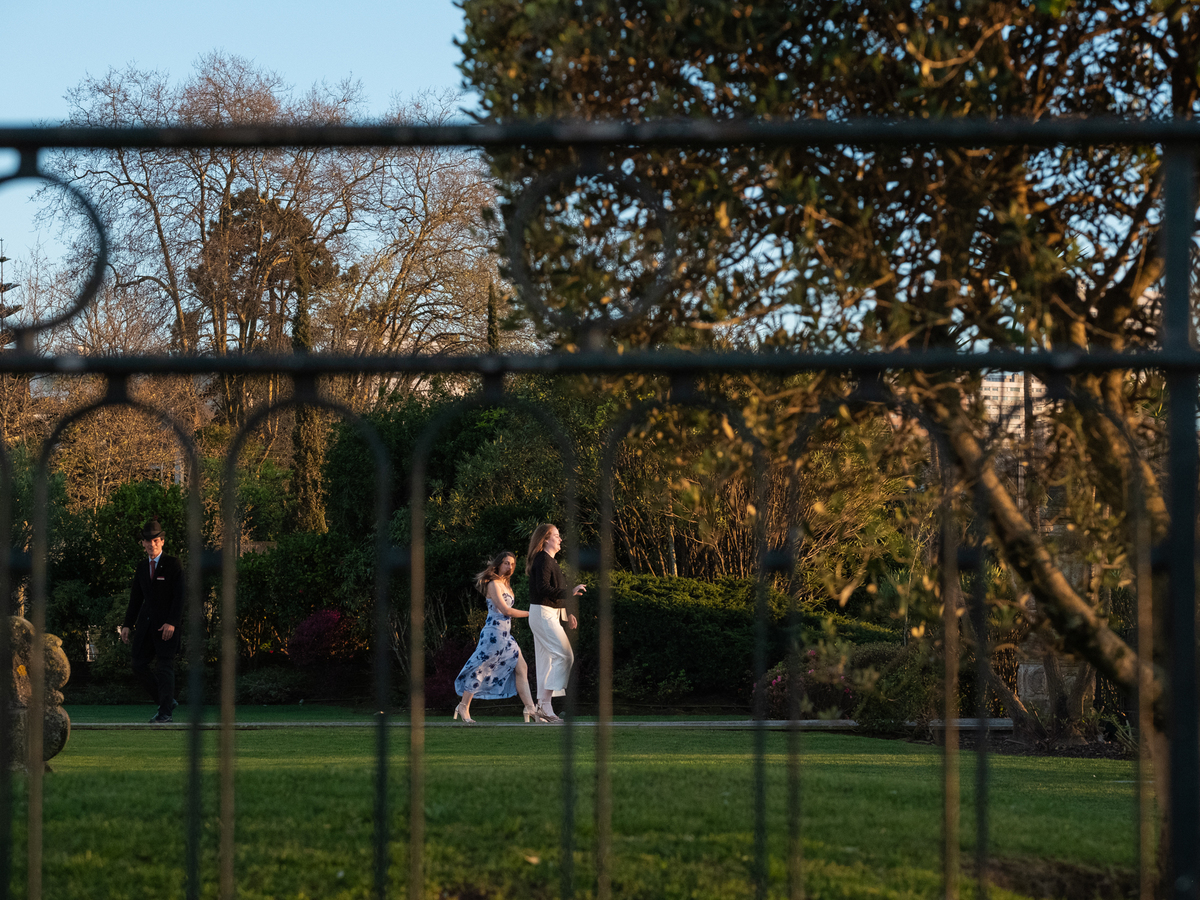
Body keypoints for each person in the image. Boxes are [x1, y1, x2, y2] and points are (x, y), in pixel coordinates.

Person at [453, 551, 540, 724]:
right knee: (481, 668)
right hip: (493, 634)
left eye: (512, 564)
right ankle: (463, 705)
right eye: (506, 563)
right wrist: (532, 613)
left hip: (506, 635)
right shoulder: (493, 584)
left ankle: (530, 708)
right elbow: (506, 610)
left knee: (521, 667)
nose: (510, 566)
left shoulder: (506, 585)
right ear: (499, 564)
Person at [119, 517, 184, 724]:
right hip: (146, 625)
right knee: (138, 664)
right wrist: (127, 624)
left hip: (167, 627)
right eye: (148, 541)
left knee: (165, 668)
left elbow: (180, 596)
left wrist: (172, 622)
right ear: (143, 543)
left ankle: (165, 713)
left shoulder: (173, 564)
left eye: (155, 540)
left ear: (162, 541)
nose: (151, 544)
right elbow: (136, 598)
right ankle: (166, 701)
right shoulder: (141, 567)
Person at [526, 524, 586, 724]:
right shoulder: (543, 559)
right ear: (545, 539)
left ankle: (542, 708)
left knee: (548, 661)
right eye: (557, 536)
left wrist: (568, 613)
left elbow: (554, 590)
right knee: (565, 656)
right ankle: (544, 706)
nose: (560, 539)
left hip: (546, 613)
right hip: (543, 614)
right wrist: (569, 592)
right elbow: (542, 588)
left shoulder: (549, 560)